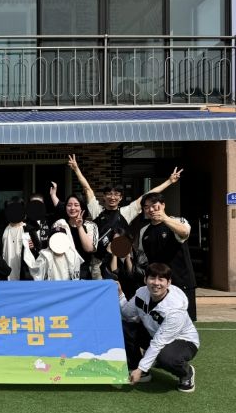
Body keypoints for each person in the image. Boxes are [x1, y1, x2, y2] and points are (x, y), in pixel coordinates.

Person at [67, 154, 182, 277]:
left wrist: (169, 181)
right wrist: (76, 169)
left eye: (116, 194)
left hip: (122, 261)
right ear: (104, 196)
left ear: (121, 198)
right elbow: (87, 189)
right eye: (109, 194)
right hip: (99, 262)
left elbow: (147, 195)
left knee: (123, 288)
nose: (112, 197)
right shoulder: (96, 210)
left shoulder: (127, 212)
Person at [119, 263, 199, 392]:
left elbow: (158, 342)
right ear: (145, 279)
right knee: (125, 327)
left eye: (161, 279)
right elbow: (127, 314)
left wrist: (141, 368)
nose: (156, 283)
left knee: (165, 358)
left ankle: (186, 373)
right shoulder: (141, 293)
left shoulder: (175, 310)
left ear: (168, 283)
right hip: (154, 334)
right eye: (152, 278)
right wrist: (120, 295)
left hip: (183, 341)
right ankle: (137, 367)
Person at [138, 192, 197, 321]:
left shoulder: (178, 221)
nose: (151, 209)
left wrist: (164, 218)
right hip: (158, 284)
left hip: (181, 281)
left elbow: (185, 232)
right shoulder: (144, 231)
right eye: (146, 207)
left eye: (154, 205)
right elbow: (143, 259)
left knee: (183, 322)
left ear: (163, 205)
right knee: (158, 321)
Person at [54, 193, 98, 279]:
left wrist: (79, 227)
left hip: (83, 272)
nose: (72, 208)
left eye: (76, 205)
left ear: (82, 207)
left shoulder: (91, 226)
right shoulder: (60, 224)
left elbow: (89, 249)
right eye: (69, 205)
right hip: (62, 272)